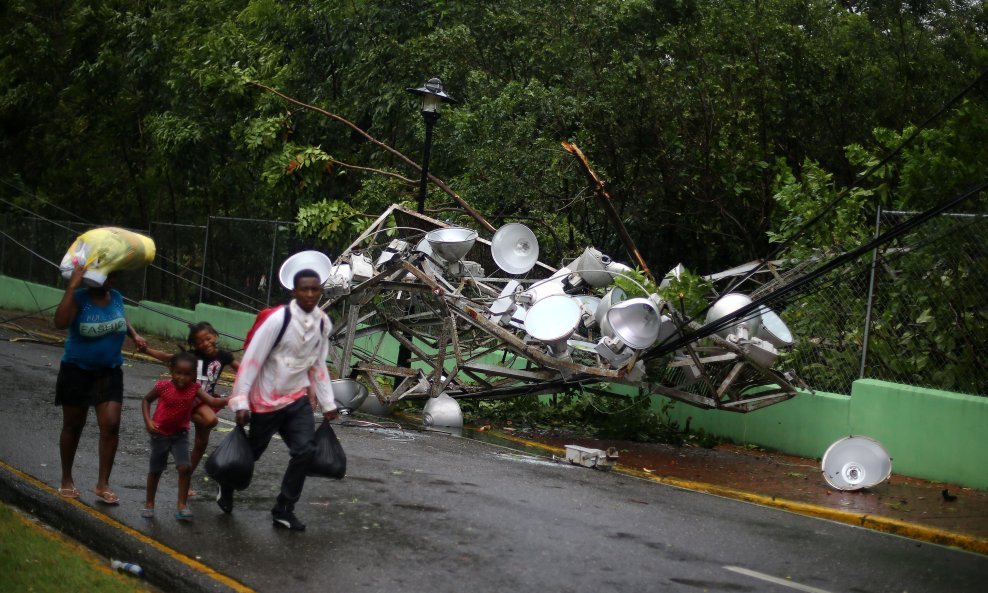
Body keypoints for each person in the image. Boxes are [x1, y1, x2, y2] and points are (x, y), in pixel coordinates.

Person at [219, 268, 337, 531]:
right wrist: (240, 401)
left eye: (314, 289)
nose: (309, 294)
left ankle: (284, 508)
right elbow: (252, 360)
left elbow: (318, 364)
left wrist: (328, 403)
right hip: (266, 400)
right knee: (252, 454)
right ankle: (227, 485)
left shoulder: (322, 323)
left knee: (305, 451)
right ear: (294, 292)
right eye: (304, 289)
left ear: (320, 291)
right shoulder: (278, 320)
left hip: (297, 399)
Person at [54, 264, 147, 504]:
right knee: (74, 426)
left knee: (111, 425)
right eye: (107, 275)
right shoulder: (78, 298)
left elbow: (121, 318)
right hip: (77, 370)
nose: (112, 280)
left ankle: (102, 483)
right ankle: (66, 479)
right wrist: (72, 285)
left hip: (110, 371)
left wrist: (135, 335)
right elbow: (59, 323)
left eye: (115, 275)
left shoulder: (115, 297)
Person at [140, 322, 239, 495]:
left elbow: (243, 370)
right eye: (200, 342)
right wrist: (147, 350)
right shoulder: (192, 357)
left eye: (208, 338)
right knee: (211, 420)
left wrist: (242, 387)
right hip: (188, 399)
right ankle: (188, 419)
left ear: (215, 336)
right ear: (194, 344)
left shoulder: (224, 356)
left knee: (201, 443)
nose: (205, 344)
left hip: (205, 400)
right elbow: (167, 357)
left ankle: (185, 479)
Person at [140, 351, 227, 520]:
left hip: (180, 434)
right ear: (171, 371)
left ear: (194, 375)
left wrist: (232, 399)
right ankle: (149, 504)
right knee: (156, 470)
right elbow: (146, 400)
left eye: (187, 374)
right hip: (160, 434)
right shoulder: (163, 386)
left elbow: (213, 402)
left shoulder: (195, 389)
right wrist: (148, 421)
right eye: (178, 373)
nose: (182, 377)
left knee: (185, 468)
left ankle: (182, 505)